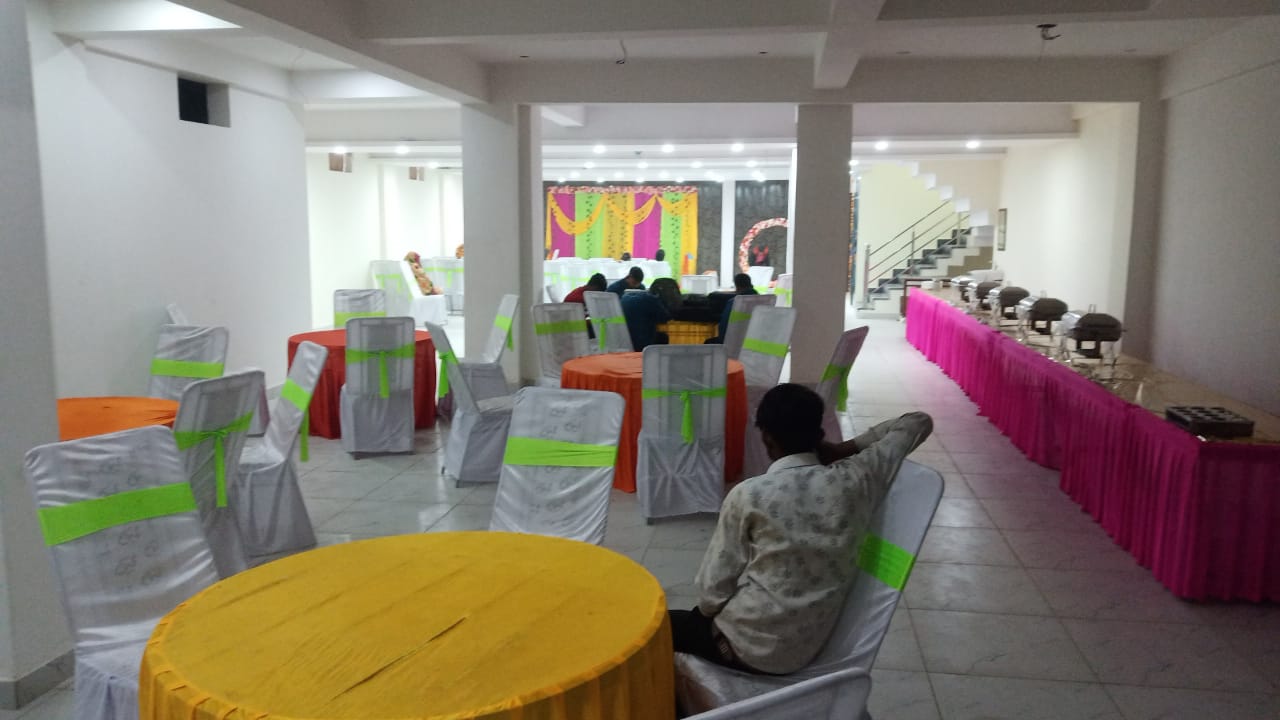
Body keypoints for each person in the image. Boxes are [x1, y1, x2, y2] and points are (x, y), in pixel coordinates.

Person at [669, 384, 933, 675]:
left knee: (656, 626)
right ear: (818, 433)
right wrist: (845, 449)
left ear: (767, 438)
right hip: (807, 649)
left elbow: (711, 593)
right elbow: (918, 421)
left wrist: (709, 615)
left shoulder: (750, 495)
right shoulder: (859, 478)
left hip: (743, 647)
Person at [705, 273, 758, 344]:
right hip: (755, 342)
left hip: (733, 343)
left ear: (737, 286)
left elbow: (723, 328)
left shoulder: (734, 303)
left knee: (708, 342)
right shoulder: (763, 301)